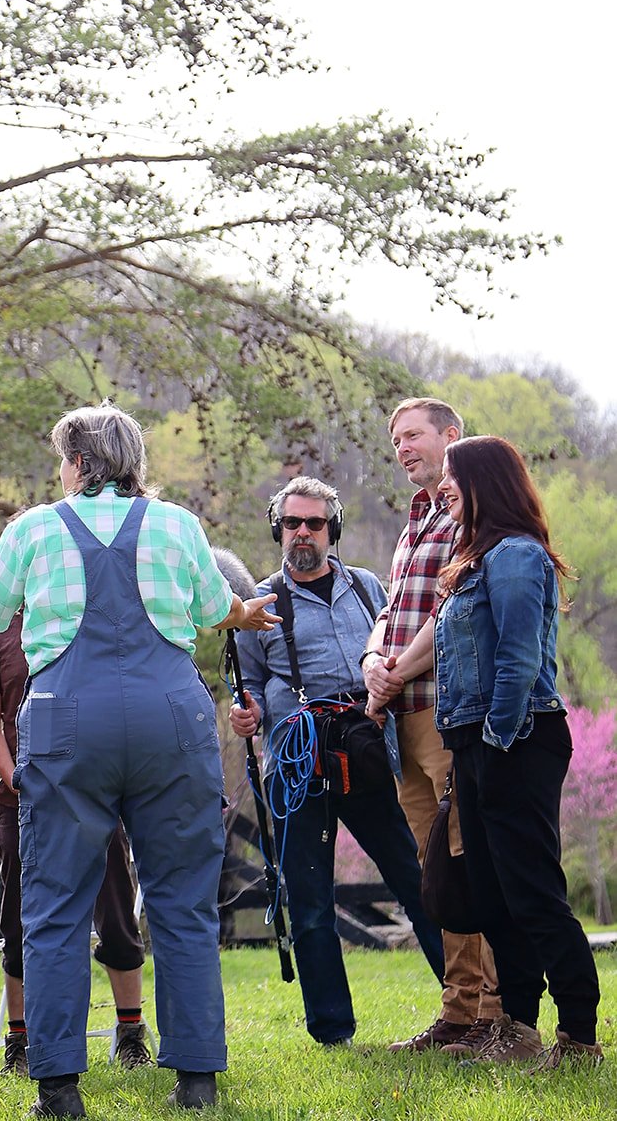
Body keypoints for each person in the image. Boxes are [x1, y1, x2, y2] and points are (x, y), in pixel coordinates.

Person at [0, 401, 279, 1118]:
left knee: (53, 905)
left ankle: (57, 1089)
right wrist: (244, 613)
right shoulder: (177, 525)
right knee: (180, 901)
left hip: (66, 720)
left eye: (62, 458)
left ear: (79, 462)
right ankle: (195, 1079)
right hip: (168, 715)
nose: (60, 470)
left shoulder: (36, 527)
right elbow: (215, 605)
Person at [229, 476, 444, 1047]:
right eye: (293, 523)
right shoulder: (261, 605)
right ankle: (332, 1031)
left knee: (418, 880)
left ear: (333, 530)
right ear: (278, 529)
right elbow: (246, 684)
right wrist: (244, 711)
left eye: (315, 523)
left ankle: (464, 1008)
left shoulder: (372, 589)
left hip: (370, 755)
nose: (303, 532)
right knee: (310, 903)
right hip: (299, 770)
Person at [432, 435, 602, 1069]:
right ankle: (519, 1029)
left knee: (533, 894)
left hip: (517, 740)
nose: (444, 487)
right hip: (478, 741)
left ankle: (579, 1038)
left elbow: (518, 660)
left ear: (484, 482)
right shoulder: (477, 557)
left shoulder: (515, 557)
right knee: (491, 893)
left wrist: (497, 743)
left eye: (453, 476)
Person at [360, 399, 500, 1053]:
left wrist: (394, 670)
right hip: (403, 721)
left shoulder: (469, 511)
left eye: (411, 435)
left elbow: (451, 614)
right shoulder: (414, 519)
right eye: (394, 440)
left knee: (470, 858)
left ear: (450, 435)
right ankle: (458, 1013)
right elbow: (391, 611)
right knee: (435, 872)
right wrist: (370, 659)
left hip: (448, 711)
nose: (401, 448)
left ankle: (500, 1014)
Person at [0, 610, 151, 1076]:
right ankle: (20, 1039)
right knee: (18, 918)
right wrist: (17, 781)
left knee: (115, 908)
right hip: (21, 802)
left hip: (93, 797)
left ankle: (130, 1033)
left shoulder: (84, 615)